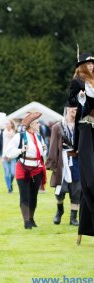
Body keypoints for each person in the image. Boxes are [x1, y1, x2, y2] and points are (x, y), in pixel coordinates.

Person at [67, 52, 94, 244]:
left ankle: (85, 227)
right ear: (82, 66)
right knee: (90, 181)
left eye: (93, 63)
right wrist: (80, 100)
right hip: (86, 128)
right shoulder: (78, 82)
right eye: (88, 63)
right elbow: (71, 101)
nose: (92, 66)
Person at [5, 112, 47, 229]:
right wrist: (20, 150)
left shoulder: (39, 137)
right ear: (31, 124)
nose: (39, 124)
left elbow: (42, 152)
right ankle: (26, 221)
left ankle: (32, 219)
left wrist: (44, 149)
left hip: (37, 169)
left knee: (34, 196)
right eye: (37, 123)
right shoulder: (20, 136)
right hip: (23, 168)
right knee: (25, 196)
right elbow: (8, 151)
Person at [46, 103, 81, 226]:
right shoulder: (58, 127)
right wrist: (52, 163)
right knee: (60, 191)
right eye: (72, 108)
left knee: (77, 190)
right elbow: (53, 145)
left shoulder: (81, 126)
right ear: (67, 109)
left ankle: (73, 217)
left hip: (77, 162)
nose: (75, 110)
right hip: (63, 162)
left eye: (77, 108)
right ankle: (59, 210)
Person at [0, 120, 17, 193]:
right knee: (7, 173)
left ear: (11, 125)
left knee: (12, 173)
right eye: (6, 124)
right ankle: (9, 188)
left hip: (12, 156)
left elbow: (17, 145)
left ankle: (10, 184)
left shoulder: (15, 134)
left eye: (8, 124)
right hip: (4, 156)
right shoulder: (2, 133)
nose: (6, 125)